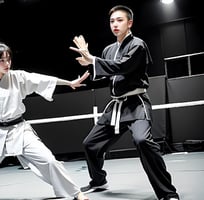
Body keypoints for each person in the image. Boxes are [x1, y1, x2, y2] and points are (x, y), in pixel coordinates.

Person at [0, 38, 90, 200]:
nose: (7, 63)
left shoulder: (18, 77)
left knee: (50, 161)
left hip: (20, 130)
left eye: (8, 59)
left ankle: (76, 192)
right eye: (2, 60)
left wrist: (69, 83)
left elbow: (42, 79)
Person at [69, 5, 180, 200]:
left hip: (136, 103)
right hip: (116, 106)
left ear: (130, 23)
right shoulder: (109, 49)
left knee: (143, 141)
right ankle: (99, 181)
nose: (115, 24)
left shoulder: (138, 44)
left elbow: (122, 66)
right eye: (112, 21)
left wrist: (92, 59)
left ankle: (167, 192)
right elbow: (105, 72)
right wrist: (90, 64)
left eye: (120, 20)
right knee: (90, 144)